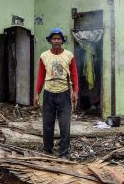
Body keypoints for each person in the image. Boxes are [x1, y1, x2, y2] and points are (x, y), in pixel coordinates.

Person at [34, 28, 79, 158]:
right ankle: (48, 149)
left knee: (65, 125)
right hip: (48, 94)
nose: (56, 41)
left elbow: (74, 75)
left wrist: (75, 91)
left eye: (59, 38)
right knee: (47, 124)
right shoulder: (44, 56)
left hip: (64, 93)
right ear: (50, 41)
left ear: (62, 41)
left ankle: (64, 152)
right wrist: (37, 93)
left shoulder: (69, 55)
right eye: (54, 38)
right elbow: (41, 76)